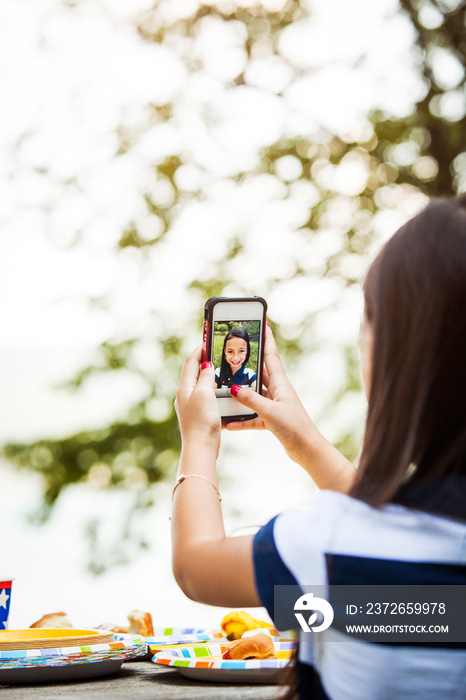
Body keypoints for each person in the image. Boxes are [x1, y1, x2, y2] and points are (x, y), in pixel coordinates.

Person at [172, 195, 466, 700]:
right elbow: (428, 612)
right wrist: (305, 443)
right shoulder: (377, 579)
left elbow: (196, 566)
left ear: (397, 355)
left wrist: (199, 438)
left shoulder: (332, 551)